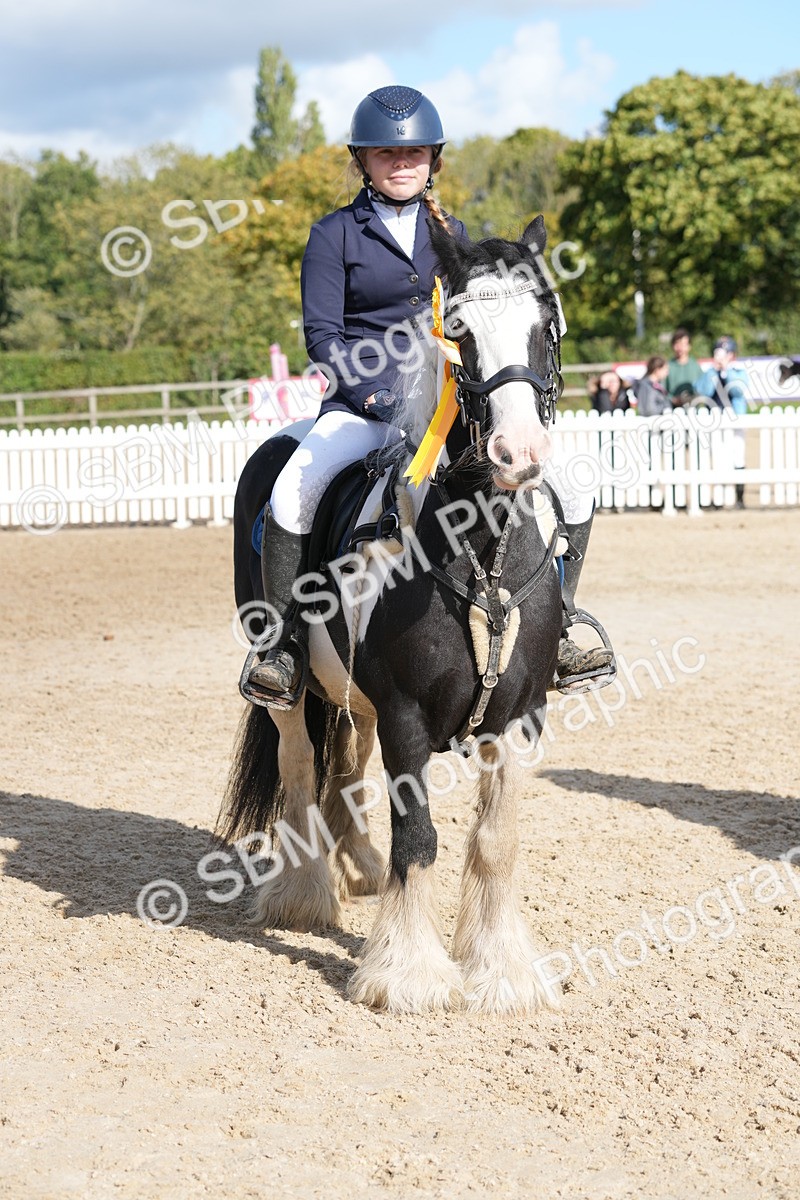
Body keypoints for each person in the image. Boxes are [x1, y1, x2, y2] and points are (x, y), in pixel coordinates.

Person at [247, 86, 613, 705]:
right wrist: (372, 399)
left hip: (450, 409)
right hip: (364, 409)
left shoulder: (454, 233)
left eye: (414, 153)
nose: (401, 163)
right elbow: (322, 336)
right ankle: (282, 648)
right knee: (292, 492)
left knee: (575, 483)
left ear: (434, 160)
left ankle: (567, 623)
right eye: (387, 154)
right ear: (362, 159)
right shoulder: (333, 234)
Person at [694, 336, 752, 508]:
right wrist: (714, 371)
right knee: (718, 458)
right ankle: (718, 498)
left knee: (737, 456)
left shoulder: (738, 372)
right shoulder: (709, 372)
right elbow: (703, 391)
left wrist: (727, 371)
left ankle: (739, 498)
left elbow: (737, 391)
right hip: (715, 418)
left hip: (734, 417)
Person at [666, 328, 702, 405]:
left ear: (689, 346)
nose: (680, 347)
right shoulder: (667, 366)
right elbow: (662, 390)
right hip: (673, 409)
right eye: (677, 343)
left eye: (683, 344)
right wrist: (673, 399)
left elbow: (702, 389)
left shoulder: (695, 366)